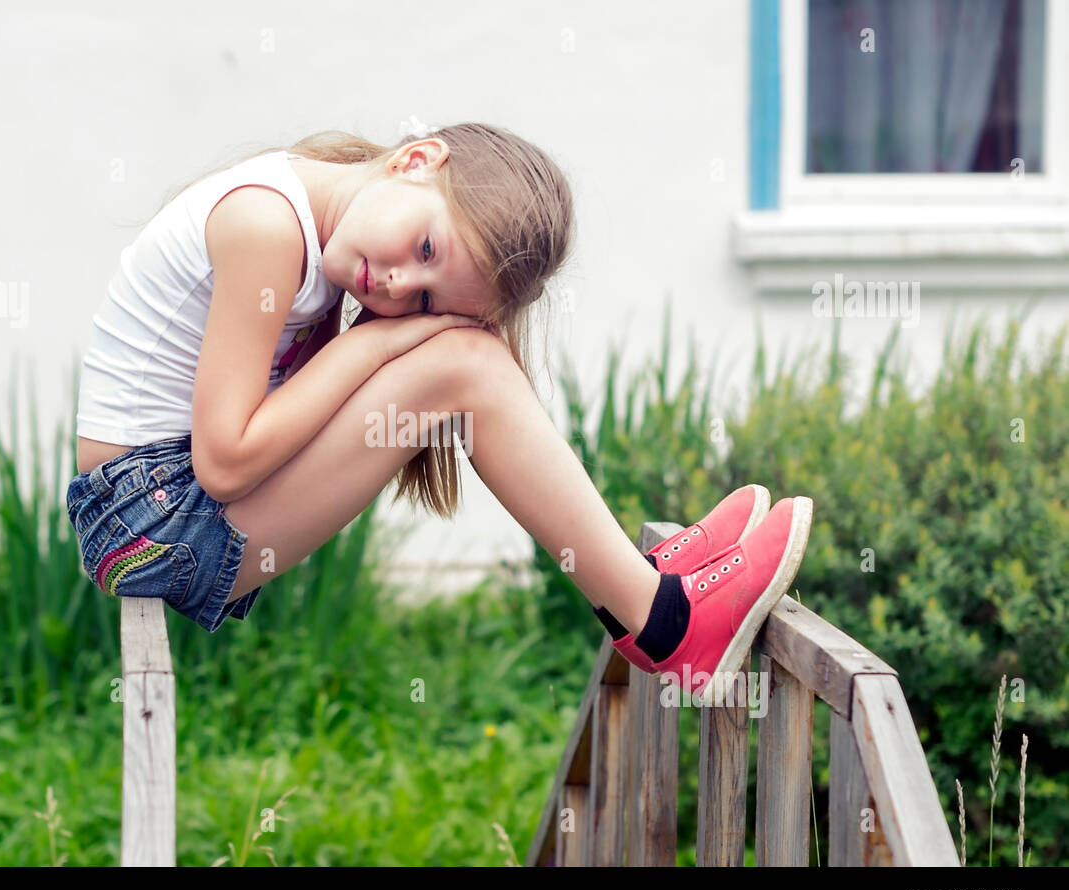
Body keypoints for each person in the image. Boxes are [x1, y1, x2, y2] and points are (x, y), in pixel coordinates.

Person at [65, 121, 811, 705]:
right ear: (417, 159)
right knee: (466, 368)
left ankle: (639, 585)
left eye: (425, 297)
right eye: (425, 245)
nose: (395, 284)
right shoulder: (268, 225)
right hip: (147, 525)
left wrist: (391, 340)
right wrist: (377, 345)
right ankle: (669, 627)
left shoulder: (317, 224)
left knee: (469, 362)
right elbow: (223, 463)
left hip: (163, 515)